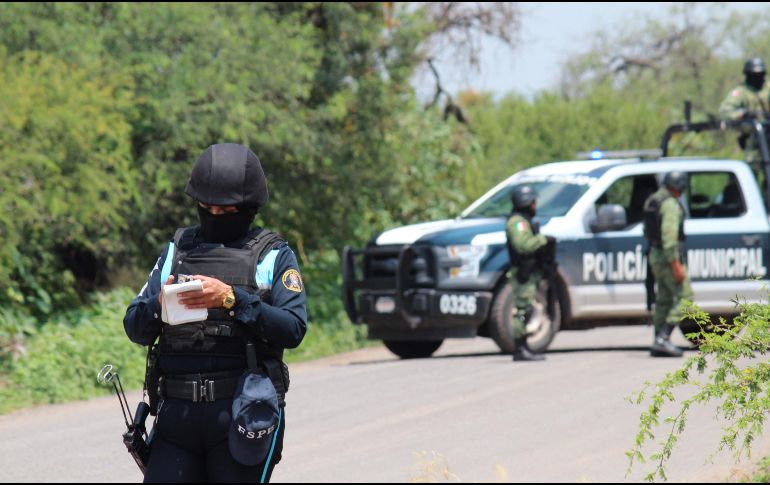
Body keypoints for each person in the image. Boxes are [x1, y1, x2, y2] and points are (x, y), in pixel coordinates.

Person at [123, 143, 307, 482]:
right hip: (175, 420)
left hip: (241, 413)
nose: (215, 217)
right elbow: (134, 325)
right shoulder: (177, 251)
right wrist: (159, 304)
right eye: (206, 209)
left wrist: (232, 300)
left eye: (226, 211)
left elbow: (293, 329)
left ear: (249, 208)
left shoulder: (273, 256)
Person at [642, 171, 692, 358]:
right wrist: (676, 264)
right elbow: (669, 236)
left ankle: (658, 340)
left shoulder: (654, 200)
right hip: (667, 257)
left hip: (655, 255)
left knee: (663, 299)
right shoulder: (670, 204)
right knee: (685, 297)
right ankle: (663, 337)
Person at [505, 185, 550, 362]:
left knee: (527, 309)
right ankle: (520, 348)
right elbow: (523, 246)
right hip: (522, 272)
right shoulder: (517, 222)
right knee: (523, 310)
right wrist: (542, 239)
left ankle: (523, 347)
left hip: (529, 271)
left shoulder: (523, 220)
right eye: (532, 201)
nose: (535, 205)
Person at [719, 57, 770, 179]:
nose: (758, 78)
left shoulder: (767, 89)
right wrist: (743, 114)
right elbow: (725, 110)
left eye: (760, 74)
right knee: (750, 174)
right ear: (748, 75)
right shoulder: (741, 92)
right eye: (755, 75)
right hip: (753, 140)